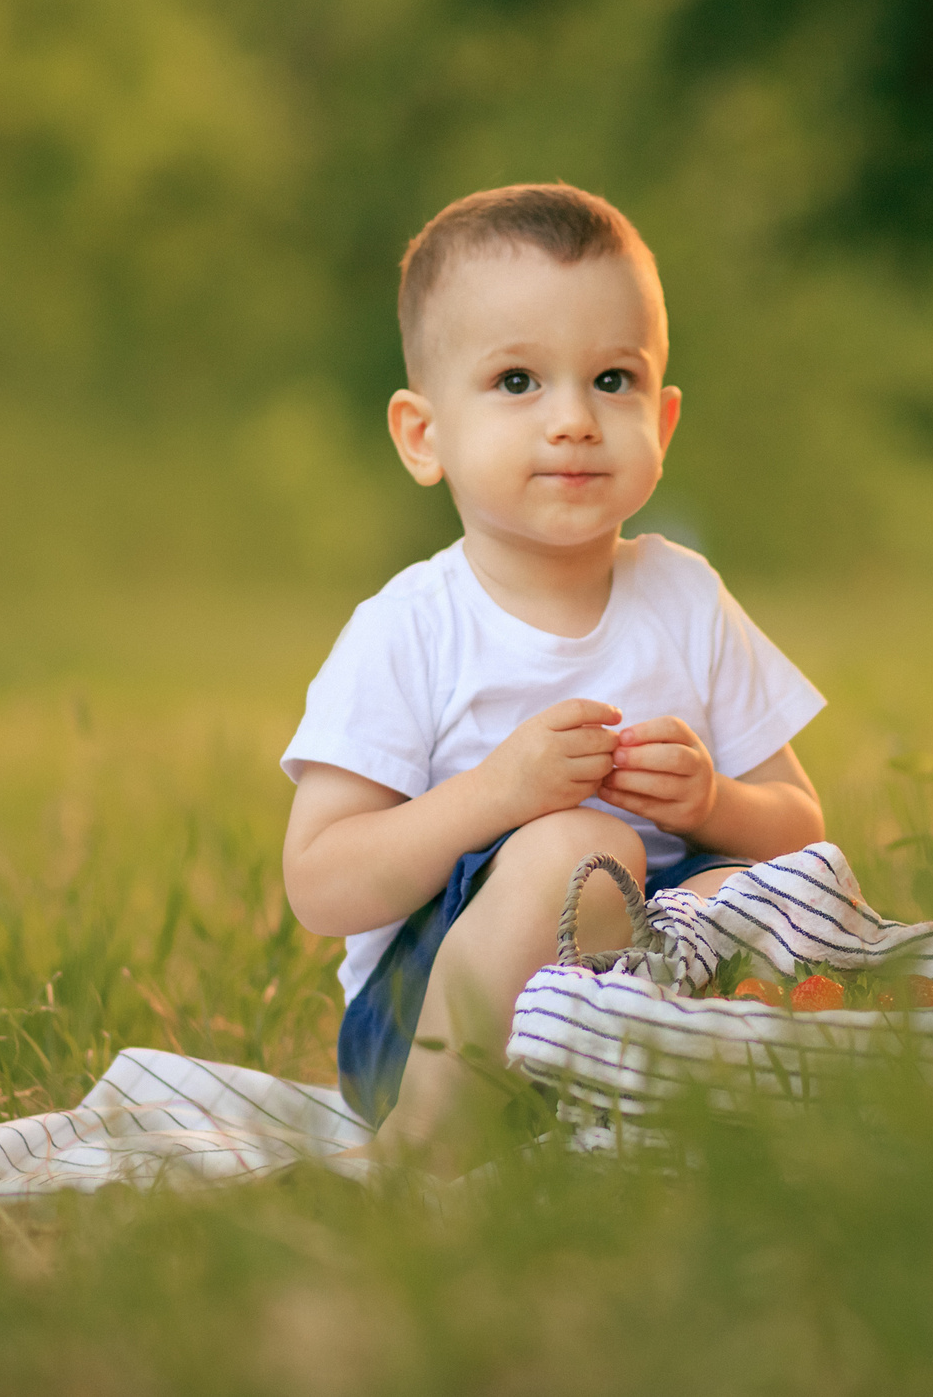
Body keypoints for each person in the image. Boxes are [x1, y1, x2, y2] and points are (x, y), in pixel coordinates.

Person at [281, 184, 827, 1169]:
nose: (574, 420)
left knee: (766, 890)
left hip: (651, 1002)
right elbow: (320, 885)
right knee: (582, 848)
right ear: (424, 434)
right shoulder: (412, 629)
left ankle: (676, 1120)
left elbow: (799, 825)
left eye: (612, 381)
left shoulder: (685, 597)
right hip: (433, 1029)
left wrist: (711, 801)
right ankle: (428, 1144)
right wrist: (496, 795)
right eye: (519, 382)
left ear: (661, 420)